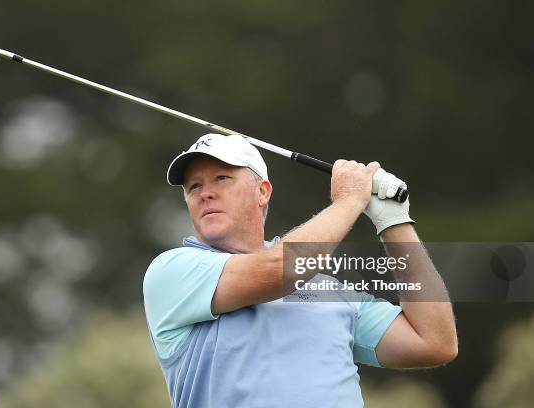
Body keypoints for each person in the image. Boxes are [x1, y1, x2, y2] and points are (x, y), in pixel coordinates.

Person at [143, 133, 458, 407]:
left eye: (221, 178)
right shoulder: (173, 273)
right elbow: (279, 269)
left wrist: (393, 222)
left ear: (262, 191)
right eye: (193, 186)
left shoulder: (328, 290)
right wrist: (349, 202)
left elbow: (434, 342)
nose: (204, 193)